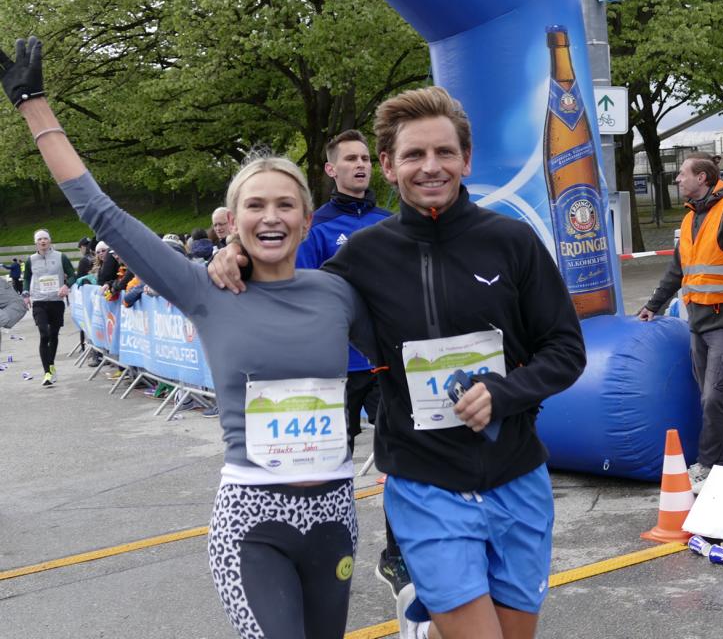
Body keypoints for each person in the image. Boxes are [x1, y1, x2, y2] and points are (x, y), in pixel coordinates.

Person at [2, 35, 377, 639]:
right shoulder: (205, 289)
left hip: (335, 517)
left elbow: (404, 359)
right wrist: (33, 106)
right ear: (234, 220)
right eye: (255, 205)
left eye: (286, 205)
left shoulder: (338, 293)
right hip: (253, 524)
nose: (272, 216)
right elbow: (101, 212)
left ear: (308, 219)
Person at [211, 85, 586, 639]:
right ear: (388, 165)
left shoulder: (513, 242)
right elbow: (293, 292)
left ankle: (423, 632)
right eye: (414, 155)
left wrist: (504, 392)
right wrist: (237, 254)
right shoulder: (363, 256)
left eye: (444, 152)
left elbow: (566, 350)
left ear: (466, 159)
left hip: (517, 477)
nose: (430, 167)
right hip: (424, 481)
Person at [294, 128, 401, 595]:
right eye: (350, 159)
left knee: (402, 460)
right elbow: (304, 294)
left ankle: (396, 555)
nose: (360, 165)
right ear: (331, 169)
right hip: (334, 369)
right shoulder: (316, 226)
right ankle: (323, 553)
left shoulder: (389, 221)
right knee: (328, 468)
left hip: (383, 365)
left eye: (365, 158)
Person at [637, 153, 723, 492]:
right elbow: (677, 270)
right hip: (699, 321)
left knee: (713, 397)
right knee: (716, 396)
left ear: (702, 178)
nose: (677, 179)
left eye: (682, 174)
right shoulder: (690, 218)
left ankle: (707, 464)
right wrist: (653, 306)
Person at [21, 228, 76, 386]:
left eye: (45, 238)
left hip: (56, 301)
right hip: (39, 301)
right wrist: (26, 293)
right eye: (39, 239)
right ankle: (47, 372)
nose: (43, 241)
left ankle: (51, 366)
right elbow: (26, 278)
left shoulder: (61, 257)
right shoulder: (31, 260)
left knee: (53, 335)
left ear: (50, 240)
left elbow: (73, 275)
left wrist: (66, 285)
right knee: (44, 334)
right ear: (36, 243)